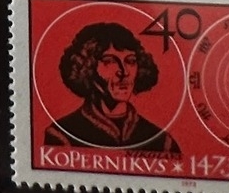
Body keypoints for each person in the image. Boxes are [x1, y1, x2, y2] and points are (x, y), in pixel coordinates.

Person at [43, 21, 181, 153]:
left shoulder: (163, 142)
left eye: (131, 61)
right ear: (87, 68)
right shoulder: (62, 136)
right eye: (109, 61)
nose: (124, 72)